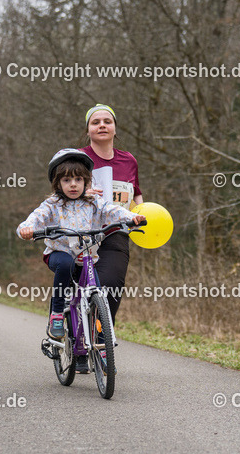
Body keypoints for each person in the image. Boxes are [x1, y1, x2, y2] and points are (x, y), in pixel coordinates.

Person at [17, 149, 145, 370]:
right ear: (58, 184)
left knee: (98, 294)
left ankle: (100, 346)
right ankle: (57, 315)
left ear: (87, 181)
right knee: (65, 264)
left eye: (78, 179)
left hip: (86, 256)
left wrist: (132, 217)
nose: (73, 185)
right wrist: (26, 229)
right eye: (67, 180)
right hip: (59, 255)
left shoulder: (94, 202)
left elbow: (113, 211)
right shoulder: (53, 204)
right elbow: (35, 218)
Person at [80, 104, 143, 324]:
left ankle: (101, 338)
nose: (102, 126)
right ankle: (74, 329)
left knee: (112, 285)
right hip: (80, 233)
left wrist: (142, 216)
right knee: (77, 289)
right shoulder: (77, 158)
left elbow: (136, 195)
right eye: (95, 122)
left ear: (115, 128)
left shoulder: (129, 160)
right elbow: (60, 193)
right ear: (87, 130)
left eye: (107, 121)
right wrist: (82, 193)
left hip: (116, 232)